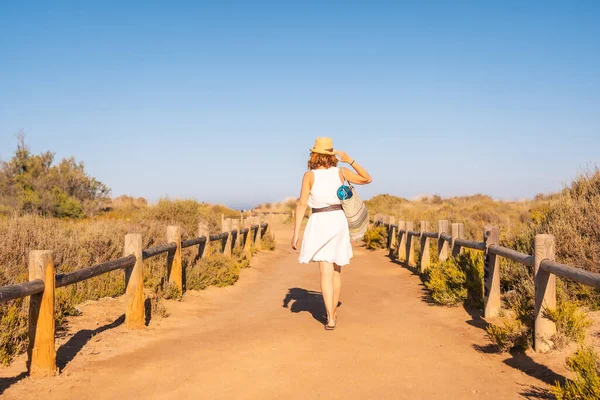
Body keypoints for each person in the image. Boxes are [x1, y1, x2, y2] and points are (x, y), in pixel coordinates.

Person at [291, 137, 372, 330]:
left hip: (319, 221)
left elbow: (302, 204)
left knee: (325, 272)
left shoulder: (309, 176)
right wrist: (349, 160)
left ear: (314, 155)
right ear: (331, 154)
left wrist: (296, 232)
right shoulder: (341, 172)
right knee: (336, 272)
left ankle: (330, 317)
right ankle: (333, 313)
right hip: (337, 221)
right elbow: (367, 179)